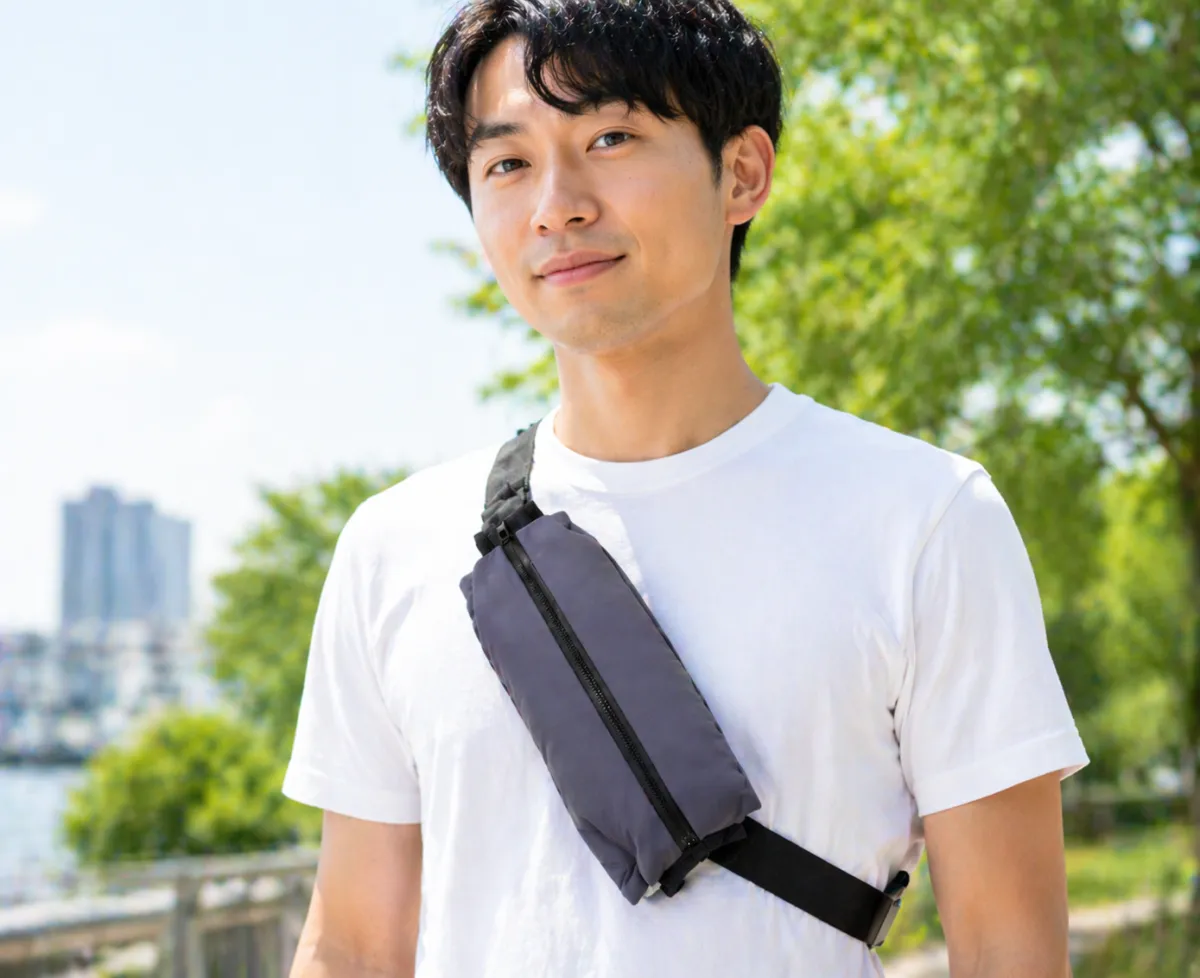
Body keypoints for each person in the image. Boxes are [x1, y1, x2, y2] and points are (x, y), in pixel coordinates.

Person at [281, 0, 1089, 974]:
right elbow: (352, 945)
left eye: (610, 138)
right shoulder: (395, 547)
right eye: (508, 164)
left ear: (741, 173)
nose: (556, 206)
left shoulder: (925, 518)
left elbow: (1009, 948)